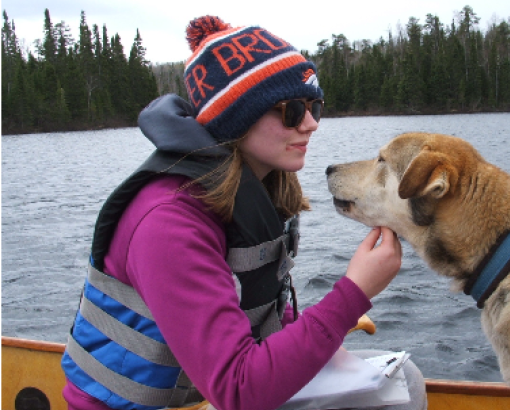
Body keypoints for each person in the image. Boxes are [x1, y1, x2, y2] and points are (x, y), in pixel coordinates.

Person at [60, 16, 426, 410]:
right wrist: (352, 294)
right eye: (292, 110)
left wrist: (319, 338)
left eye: (315, 107)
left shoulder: (250, 191)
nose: (310, 124)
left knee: (404, 381)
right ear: (238, 117)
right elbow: (238, 390)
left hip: (203, 397)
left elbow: (254, 317)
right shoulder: (168, 221)